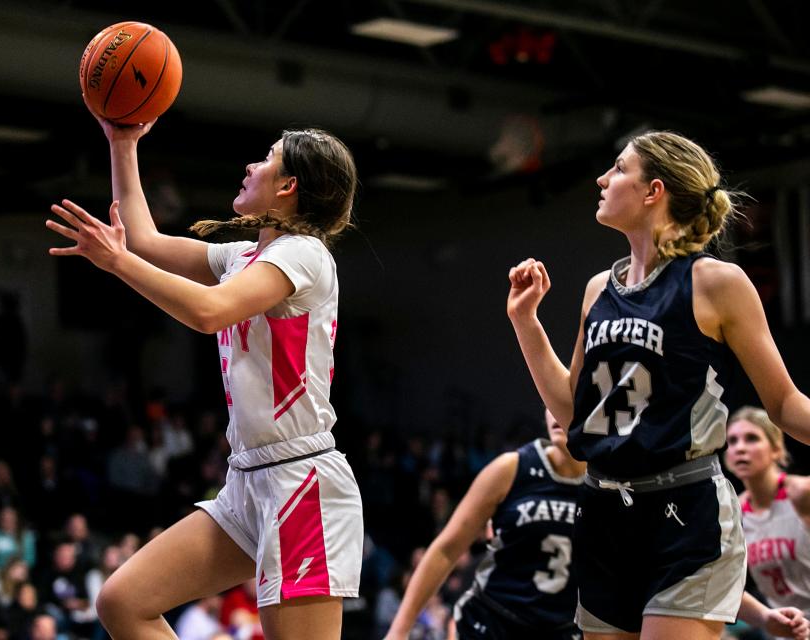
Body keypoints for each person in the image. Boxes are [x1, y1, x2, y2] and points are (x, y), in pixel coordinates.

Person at [45, 109, 363, 640]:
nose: (250, 165)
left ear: (288, 187)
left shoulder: (304, 255)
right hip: (248, 482)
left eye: (266, 160)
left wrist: (117, 263)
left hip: (301, 482)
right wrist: (123, 143)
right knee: (123, 602)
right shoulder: (242, 256)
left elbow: (208, 312)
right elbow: (144, 240)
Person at [506, 130, 810, 639]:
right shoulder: (598, 289)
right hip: (604, 512)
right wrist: (526, 323)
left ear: (654, 191)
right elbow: (573, 412)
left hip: (686, 511)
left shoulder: (716, 282)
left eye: (619, 168)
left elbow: (784, 403)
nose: (602, 179)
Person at [384, 411, 585, 640]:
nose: (556, 412)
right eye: (550, 402)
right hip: (491, 622)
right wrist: (399, 631)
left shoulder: (607, 484)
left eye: (569, 396)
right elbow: (446, 549)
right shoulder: (511, 468)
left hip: (563, 629)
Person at [727, 407, 810, 613]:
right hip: (786, 627)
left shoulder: (801, 492)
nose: (740, 448)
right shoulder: (732, 513)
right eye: (732, 441)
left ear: (776, 449)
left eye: (752, 438)